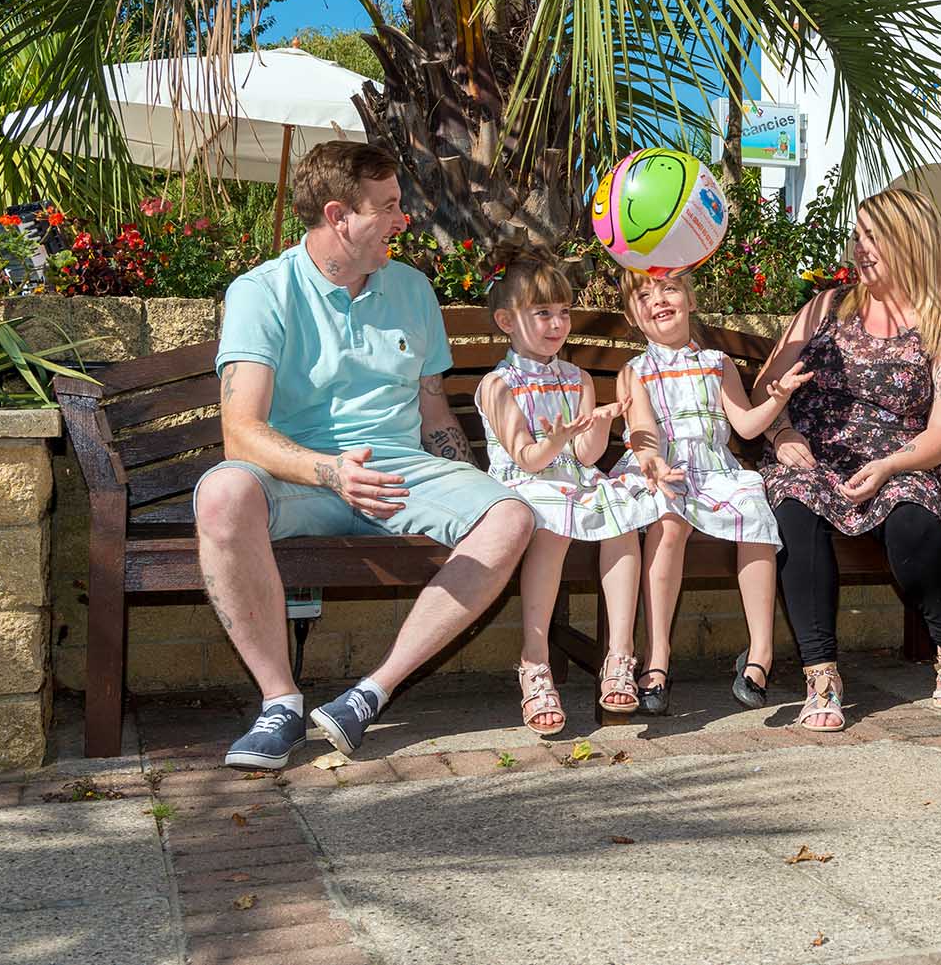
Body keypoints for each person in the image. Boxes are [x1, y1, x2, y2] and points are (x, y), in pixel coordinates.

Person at [196, 142, 536, 770]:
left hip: (398, 475)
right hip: (300, 477)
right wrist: (331, 471)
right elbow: (240, 432)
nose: (402, 220)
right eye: (387, 207)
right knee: (221, 491)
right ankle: (279, 703)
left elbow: (434, 408)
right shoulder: (263, 292)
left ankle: (368, 695)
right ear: (338, 215)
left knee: (510, 517)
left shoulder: (411, 289)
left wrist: (470, 481)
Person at [755, 187, 941, 731]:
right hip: (812, 457)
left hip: (900, 461)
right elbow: (766, 382)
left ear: (909, 242)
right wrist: (782, 430)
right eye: (858, 235)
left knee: (913, 525)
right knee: (794, 509)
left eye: (873, 237)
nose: (861, 248)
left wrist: (892, 465)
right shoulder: (825, 307)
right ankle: (821, 674)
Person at [475, 257, 666, 730]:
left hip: (572, 481)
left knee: (622, 513)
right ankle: (535, 660)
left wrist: (599, 426)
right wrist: (557, 440)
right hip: (527, 486)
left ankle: (619, 655)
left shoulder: (577, 379)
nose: (558, 323)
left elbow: (584, 457)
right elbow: (527, 457)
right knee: (554, 523)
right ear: (507, 321)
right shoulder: (499, 385)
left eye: (563, 311)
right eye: (543, 313)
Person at [610, 269, 812, 715]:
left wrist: (776, 399)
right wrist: (654, 464)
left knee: (755, 514)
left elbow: (744, 425)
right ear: (633, 316)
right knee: (668, 518)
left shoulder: (717, 364)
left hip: (716, 470)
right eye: (644, 295)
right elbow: (642, 432)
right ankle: (657, 655)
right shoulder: (634, 372)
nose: (659, 300)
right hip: (662, 469)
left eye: (669, 289)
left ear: (690, 300)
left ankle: (760, 654)